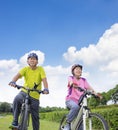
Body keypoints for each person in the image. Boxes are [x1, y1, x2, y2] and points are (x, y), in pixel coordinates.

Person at [9, 52, 49, 130]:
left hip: (35, 95)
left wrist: (46, 89)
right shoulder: (25, 69)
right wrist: (13, 81)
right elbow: (17, 76)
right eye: (30, 59)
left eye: (34, 59)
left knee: (35, 116)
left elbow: (44, 79)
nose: (32, 60)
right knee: (17, 99)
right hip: (24, 91)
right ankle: (15, 121)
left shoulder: (40, 69)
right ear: (28, 61)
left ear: (37, 61)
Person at [63, 64, 101, 130]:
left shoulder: (84, 80)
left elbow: (90, 88)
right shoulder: (71, 77)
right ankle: (67, 123)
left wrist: (96, 94)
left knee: (81, 121)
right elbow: (70, 82)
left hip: (80, 102)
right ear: (73, 71)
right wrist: (73, 84)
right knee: (75, 107)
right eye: (76, 69)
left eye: (80, 69)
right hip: (70, 100)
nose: (79, 70)